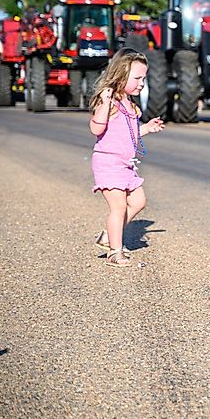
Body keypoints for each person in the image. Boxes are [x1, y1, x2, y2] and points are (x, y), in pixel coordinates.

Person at [89, 49, 165, 267]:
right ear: (121, 76)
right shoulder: (109, 103)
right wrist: (104, 104)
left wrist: (147, 129)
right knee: (118, 207)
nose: (142, 83)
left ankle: (108, 235)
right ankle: (115, 251)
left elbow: (129, 134)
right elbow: (96, 129)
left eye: (144, 78)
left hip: (126, 166)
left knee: (139, 201)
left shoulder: (130, 106)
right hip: (108, 163)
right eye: (137, 78)